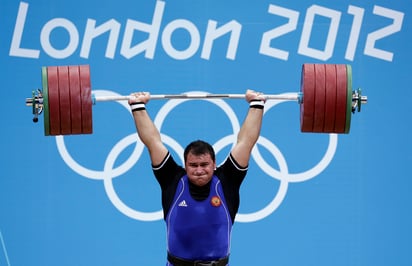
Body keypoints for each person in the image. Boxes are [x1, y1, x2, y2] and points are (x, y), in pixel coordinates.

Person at [128, 90, 265, 266]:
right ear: (185, 166)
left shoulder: (227, 181)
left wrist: (256, 104)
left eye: (204, 165)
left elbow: (245, 142)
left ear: (214, 164)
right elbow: (152, 142)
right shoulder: (172, 180)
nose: (199, 170)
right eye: (193, 165)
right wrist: (138, 106)